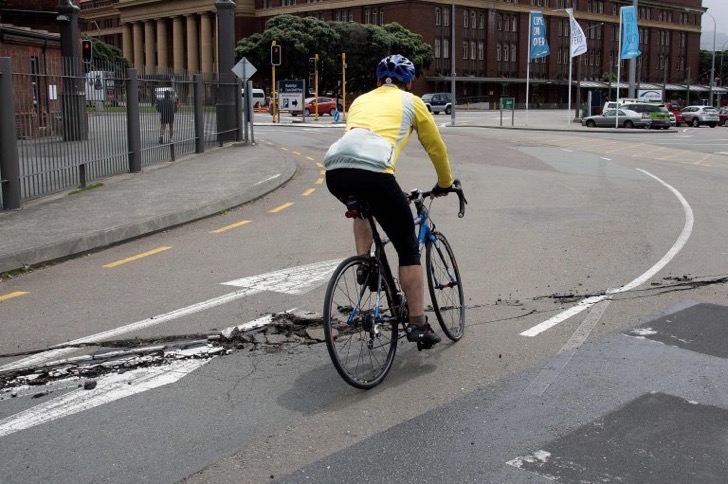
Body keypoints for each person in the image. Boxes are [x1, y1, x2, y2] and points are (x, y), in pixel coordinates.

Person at [323, 54, 454, 349]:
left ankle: (365, 262)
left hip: (336, 173)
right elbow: (436, 148)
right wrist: (444, 183)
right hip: (376, 174)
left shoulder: (360, 101)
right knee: (408, 249)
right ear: (409, 83)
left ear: (377, 80)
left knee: (362, 208)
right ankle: (419, 325)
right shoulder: (413, 102)